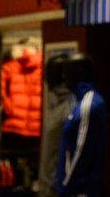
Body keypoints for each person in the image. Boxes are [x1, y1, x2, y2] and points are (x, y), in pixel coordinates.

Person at [57, 53, 107, 197]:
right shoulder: (78, 102)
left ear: (79, 71)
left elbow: (81, 150)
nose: (63, 76)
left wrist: (66, 186)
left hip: (80, 190)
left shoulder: (89, 104)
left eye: (67, 70)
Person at [38, 55, 74, 197]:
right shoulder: (57, 108)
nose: (45, 79)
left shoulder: (70, 109)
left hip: (58, 190)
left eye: (49, 73)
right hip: (50, 189)